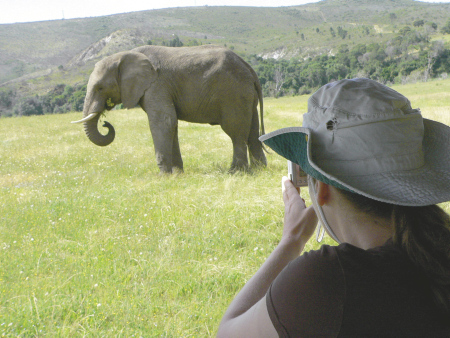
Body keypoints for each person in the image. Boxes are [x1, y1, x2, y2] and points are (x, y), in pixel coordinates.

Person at [217, 78, 450, 337]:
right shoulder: (438, 252)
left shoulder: (327, 280)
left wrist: (291, 241)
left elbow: (227, 332)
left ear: (323, 187)